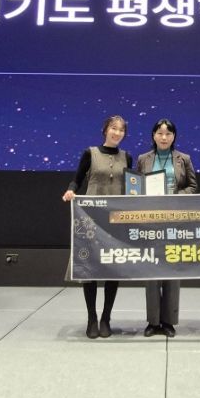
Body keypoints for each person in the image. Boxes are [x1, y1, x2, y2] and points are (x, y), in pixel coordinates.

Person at [62, 115, 132, 339]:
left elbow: (131, 187)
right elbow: (77, 179)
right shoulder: (90, 153)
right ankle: (92, 318)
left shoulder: (127, 157)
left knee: (112, 268)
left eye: (121, 130)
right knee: (90, 268)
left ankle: (106, 318)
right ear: (105, 130)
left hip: (115, 221)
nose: (117, 133)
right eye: (113, 128)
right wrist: (71, 190)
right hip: (91, 219)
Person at [137, 118, 197, 337]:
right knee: (151, 270)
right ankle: (153, 322)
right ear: (153, 135)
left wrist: (176, 194)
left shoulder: (184, 159)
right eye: (160, 133)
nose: (164, 137)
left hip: (175, 221)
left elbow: (193, 187)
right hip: (150, 221)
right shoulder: (143, 159)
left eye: (168, 133)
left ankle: (169, 321)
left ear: (174, 137)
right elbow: (136, 186)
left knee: (172, 270)